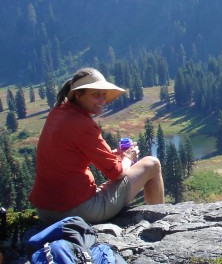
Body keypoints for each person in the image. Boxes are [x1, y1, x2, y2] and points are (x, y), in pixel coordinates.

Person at [30, 67, 165, 224]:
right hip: (76, 211)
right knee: (152, 164)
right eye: (95, 95)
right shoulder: (82, 123)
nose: (102, 101)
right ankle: (158, 223)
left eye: (104, 95)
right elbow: (117, 173)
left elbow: (72, 158)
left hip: (45, 211)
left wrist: (116, 155)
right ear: (78, 94)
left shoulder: (58, 112)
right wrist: (128, 156)